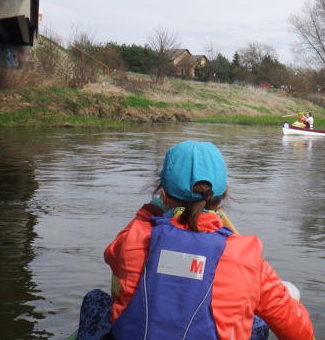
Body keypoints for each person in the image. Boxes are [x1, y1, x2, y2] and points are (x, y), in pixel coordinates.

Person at [104, 141, 314, 340]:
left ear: (163, 194)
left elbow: (112, 255)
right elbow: (299, 334)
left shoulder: (133, 238)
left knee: (96, 300)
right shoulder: (246, 255)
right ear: (226, 192)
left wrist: (149, 211)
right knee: (279, 301)